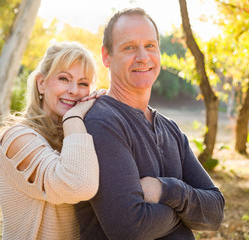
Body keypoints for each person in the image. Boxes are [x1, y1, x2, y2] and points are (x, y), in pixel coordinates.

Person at [75, 8, 225, 240]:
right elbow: (130, 228)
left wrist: (167, 190)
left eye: (150, 46)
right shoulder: (102, 122)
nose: (143, 57)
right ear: (106, 56)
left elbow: (215, 212)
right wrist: (188, 214)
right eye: (129, 47)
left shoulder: (170, 128)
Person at [0, 41, 105, 240]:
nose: (74, 90)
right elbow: (78, 186)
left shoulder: (80, 137)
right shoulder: (17, 138)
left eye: (83, 83)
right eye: (64, 79)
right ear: (41, 83)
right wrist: (74, 117)